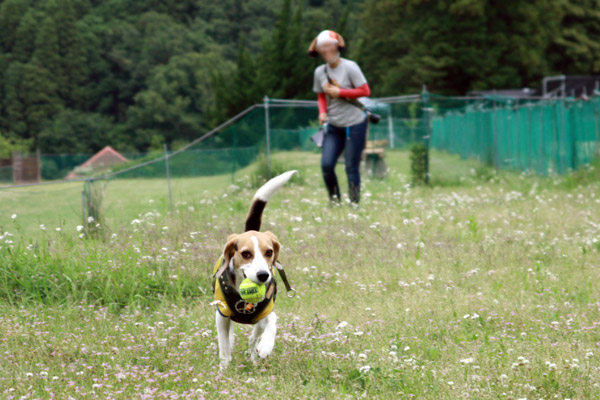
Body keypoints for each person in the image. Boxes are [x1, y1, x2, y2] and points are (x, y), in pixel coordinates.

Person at [308, 30, 371, 204]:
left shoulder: (350, 67)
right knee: (327, 165)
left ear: (337, 46)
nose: (326, 50)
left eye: (329, 45)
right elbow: (321, 95)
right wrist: (322, 111)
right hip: (333, 125)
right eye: (322, 47)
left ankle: (354, 205)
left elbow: (365, 91)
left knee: (351, 167)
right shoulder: (319, 72)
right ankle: (334, 201)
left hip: (355, 123)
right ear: (318, 50)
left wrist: (340, 92)